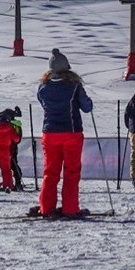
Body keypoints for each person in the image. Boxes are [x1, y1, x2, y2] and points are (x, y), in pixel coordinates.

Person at [33, 48, 93, 218]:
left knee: (50, 172)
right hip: (71, 132)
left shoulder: (43, 87)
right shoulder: (74, 86)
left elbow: (43, 104)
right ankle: (70, 208)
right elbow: (87, 107)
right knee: (71, 172)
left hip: (49, 133)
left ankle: (46, 208)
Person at [8, 106, 26, 190]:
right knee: (12, 165)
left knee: (12, 165)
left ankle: (17, 183)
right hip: (13, 146)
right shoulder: (16, 124)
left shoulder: (12, 125)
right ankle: (16, 182)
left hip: (11, 147)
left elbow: (16, 137)